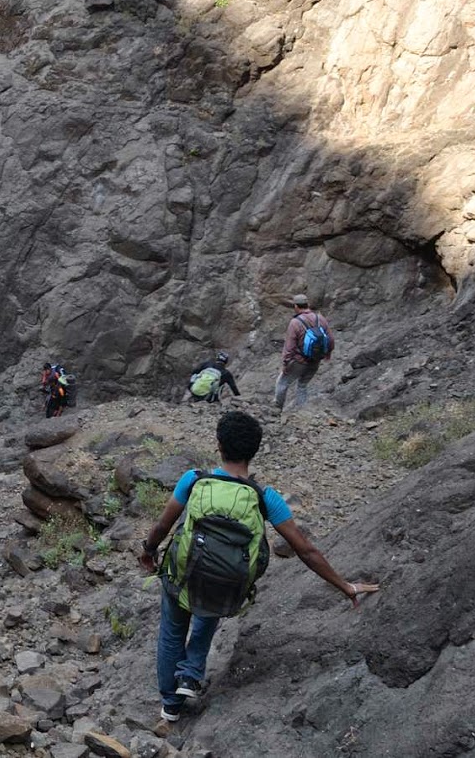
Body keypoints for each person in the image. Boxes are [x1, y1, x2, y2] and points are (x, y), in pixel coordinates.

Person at [137, 411, 377, 722]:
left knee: (172, 632)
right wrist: (345, 586)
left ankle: (171, 706)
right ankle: (191, 674)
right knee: (213, 599)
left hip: (183, 575)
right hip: (226, 585)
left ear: (219, 445)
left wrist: (148, 550)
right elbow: (305, 549)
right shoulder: (265, 498)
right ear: (255, 451)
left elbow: (162, 524)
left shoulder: (193, 480)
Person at [274, 295, 333, 411]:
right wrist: (328, 353)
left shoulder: (295, 322)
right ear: (308, 305)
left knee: (282, 382)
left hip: (299, 361)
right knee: (302, 385)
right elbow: (330, 339)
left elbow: (289, 347)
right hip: (315, 360)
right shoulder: (320, 318)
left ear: (296, 306)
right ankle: (302, 412)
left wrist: (285, 364)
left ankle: (276, 410)